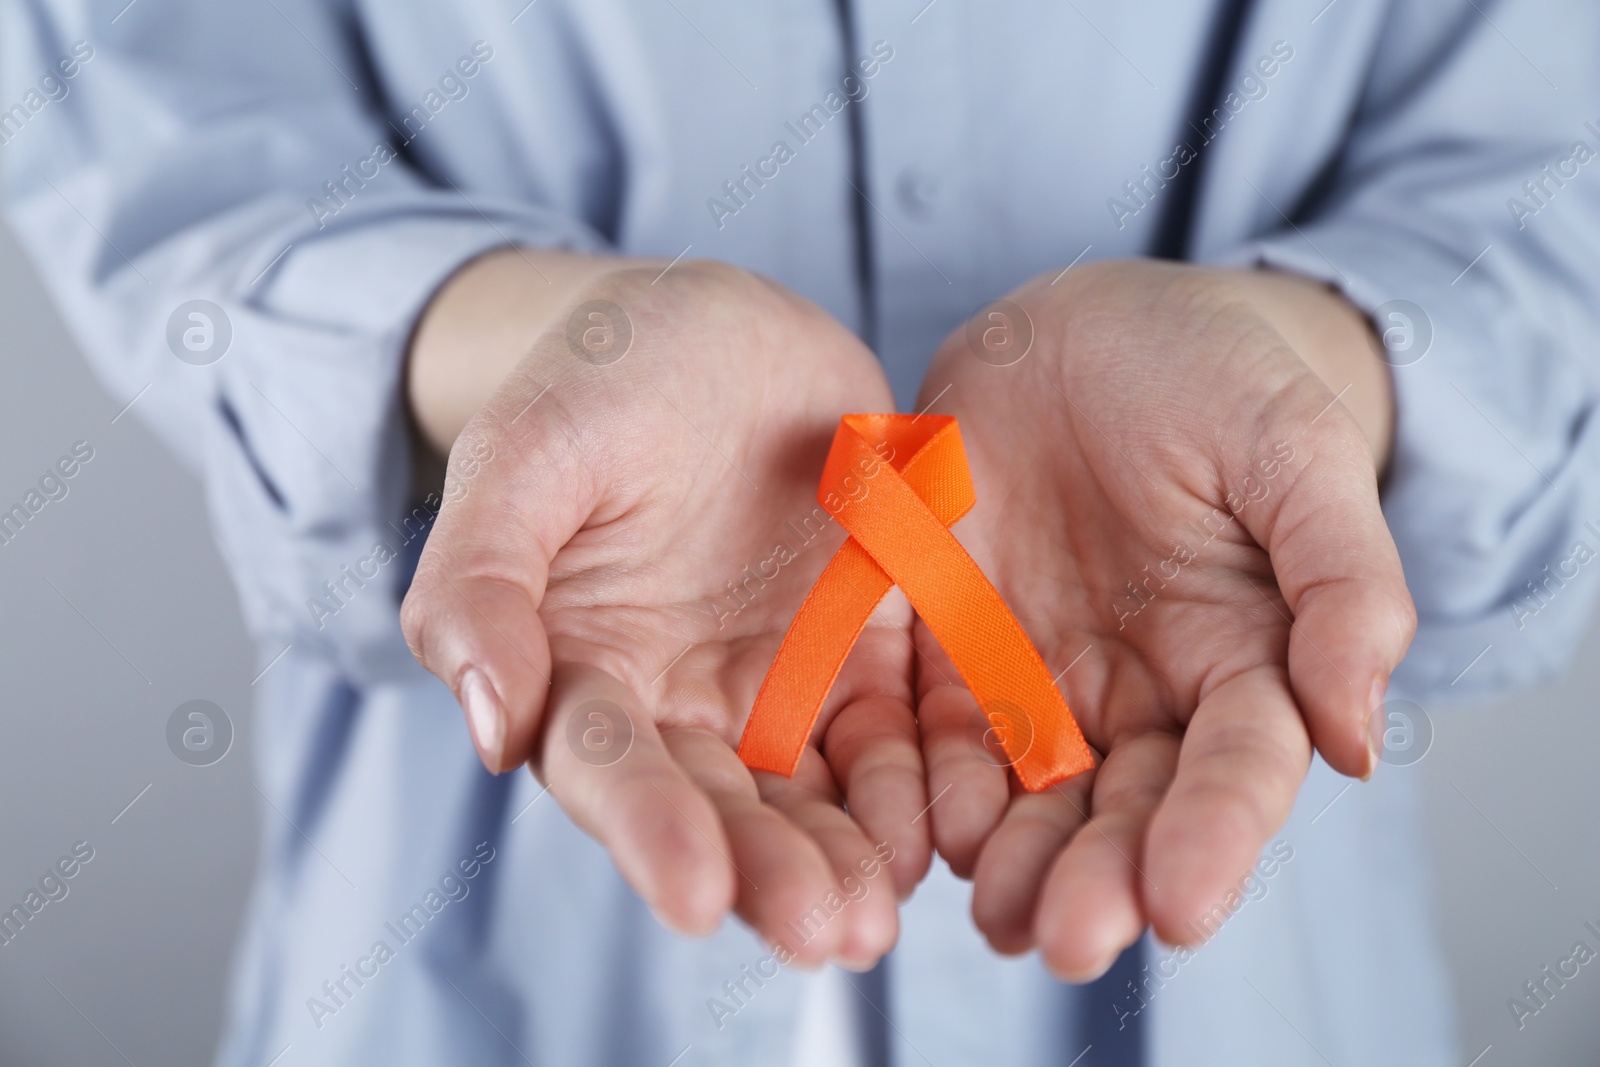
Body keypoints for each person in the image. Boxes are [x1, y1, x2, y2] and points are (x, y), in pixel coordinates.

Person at [5, 1, 1598, 1064]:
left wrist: (1303, 375)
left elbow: (1555, 153)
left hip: (1237, 910)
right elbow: (152, 117)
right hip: (492, 911)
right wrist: (530, 353)